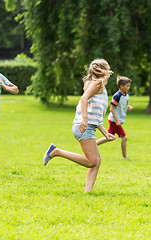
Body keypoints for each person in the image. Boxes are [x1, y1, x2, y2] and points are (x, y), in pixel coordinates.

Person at [43, 58, 116, 193]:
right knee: (92, 161)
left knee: (97, 160)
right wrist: (84, 120)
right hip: (83, 126)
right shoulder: (96, 85)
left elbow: (96, 117)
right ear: (104, 71)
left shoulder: (100, 87)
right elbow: (83, 99)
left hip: (88, 126)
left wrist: (105, 133)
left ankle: (88, 192)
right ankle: (56, 152)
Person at [96, 76, 133, 159]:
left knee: (108, 136)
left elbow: (121, 105)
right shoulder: (117, 96)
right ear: (121, 86)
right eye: (127, 86)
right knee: (124, 138)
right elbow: (112, 109)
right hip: (114, 120)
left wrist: (128, 106)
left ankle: (93, 145)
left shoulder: (126, 95)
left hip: (117, 120)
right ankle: (125, 156)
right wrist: (117, 121)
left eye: (129, 86)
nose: (129, 87)